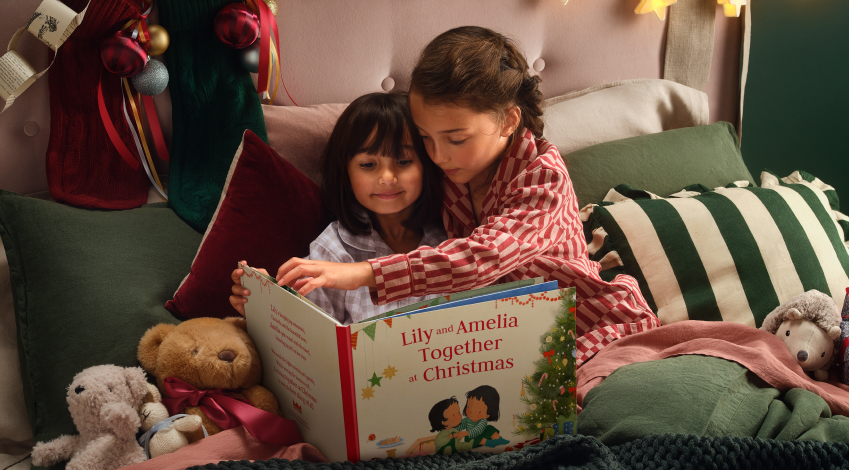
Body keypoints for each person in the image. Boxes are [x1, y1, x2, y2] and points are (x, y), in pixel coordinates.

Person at [268, 27, 660, 365]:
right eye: (425, 138)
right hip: (500, 344)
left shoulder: (542, 182)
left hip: (585, 327)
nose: (438, 155)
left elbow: (479, 260)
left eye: (456, 139)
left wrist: (361, 274)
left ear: (508, 120)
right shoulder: (452, 171)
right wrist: (268, 305)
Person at [229, 92, 447, 324]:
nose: (387, 177)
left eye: (403, 161)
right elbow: (311, 332)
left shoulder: (452, 236)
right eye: (368, 164)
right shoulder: (332, 249)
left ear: (427, 164)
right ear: (346, 172)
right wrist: (271, 305)